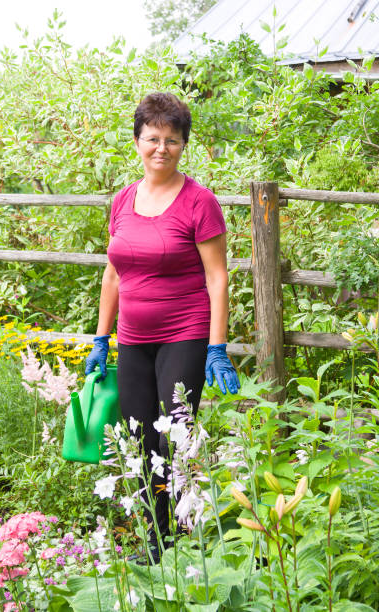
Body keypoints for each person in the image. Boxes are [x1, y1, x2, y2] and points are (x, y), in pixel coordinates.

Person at [85, 92, 239, 557]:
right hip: (133, 336)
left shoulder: (200, 202)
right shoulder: (123, 200)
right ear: (137, 142)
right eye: (152, 138)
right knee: (137, 435)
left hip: (185, 332)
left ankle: (180, 541)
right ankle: (157, 541)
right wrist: (100, 338)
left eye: (172, 140)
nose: (161, 148)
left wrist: (217, 346)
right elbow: (113, 272)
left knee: (174, 433)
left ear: (183, 145)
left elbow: (217, 276)